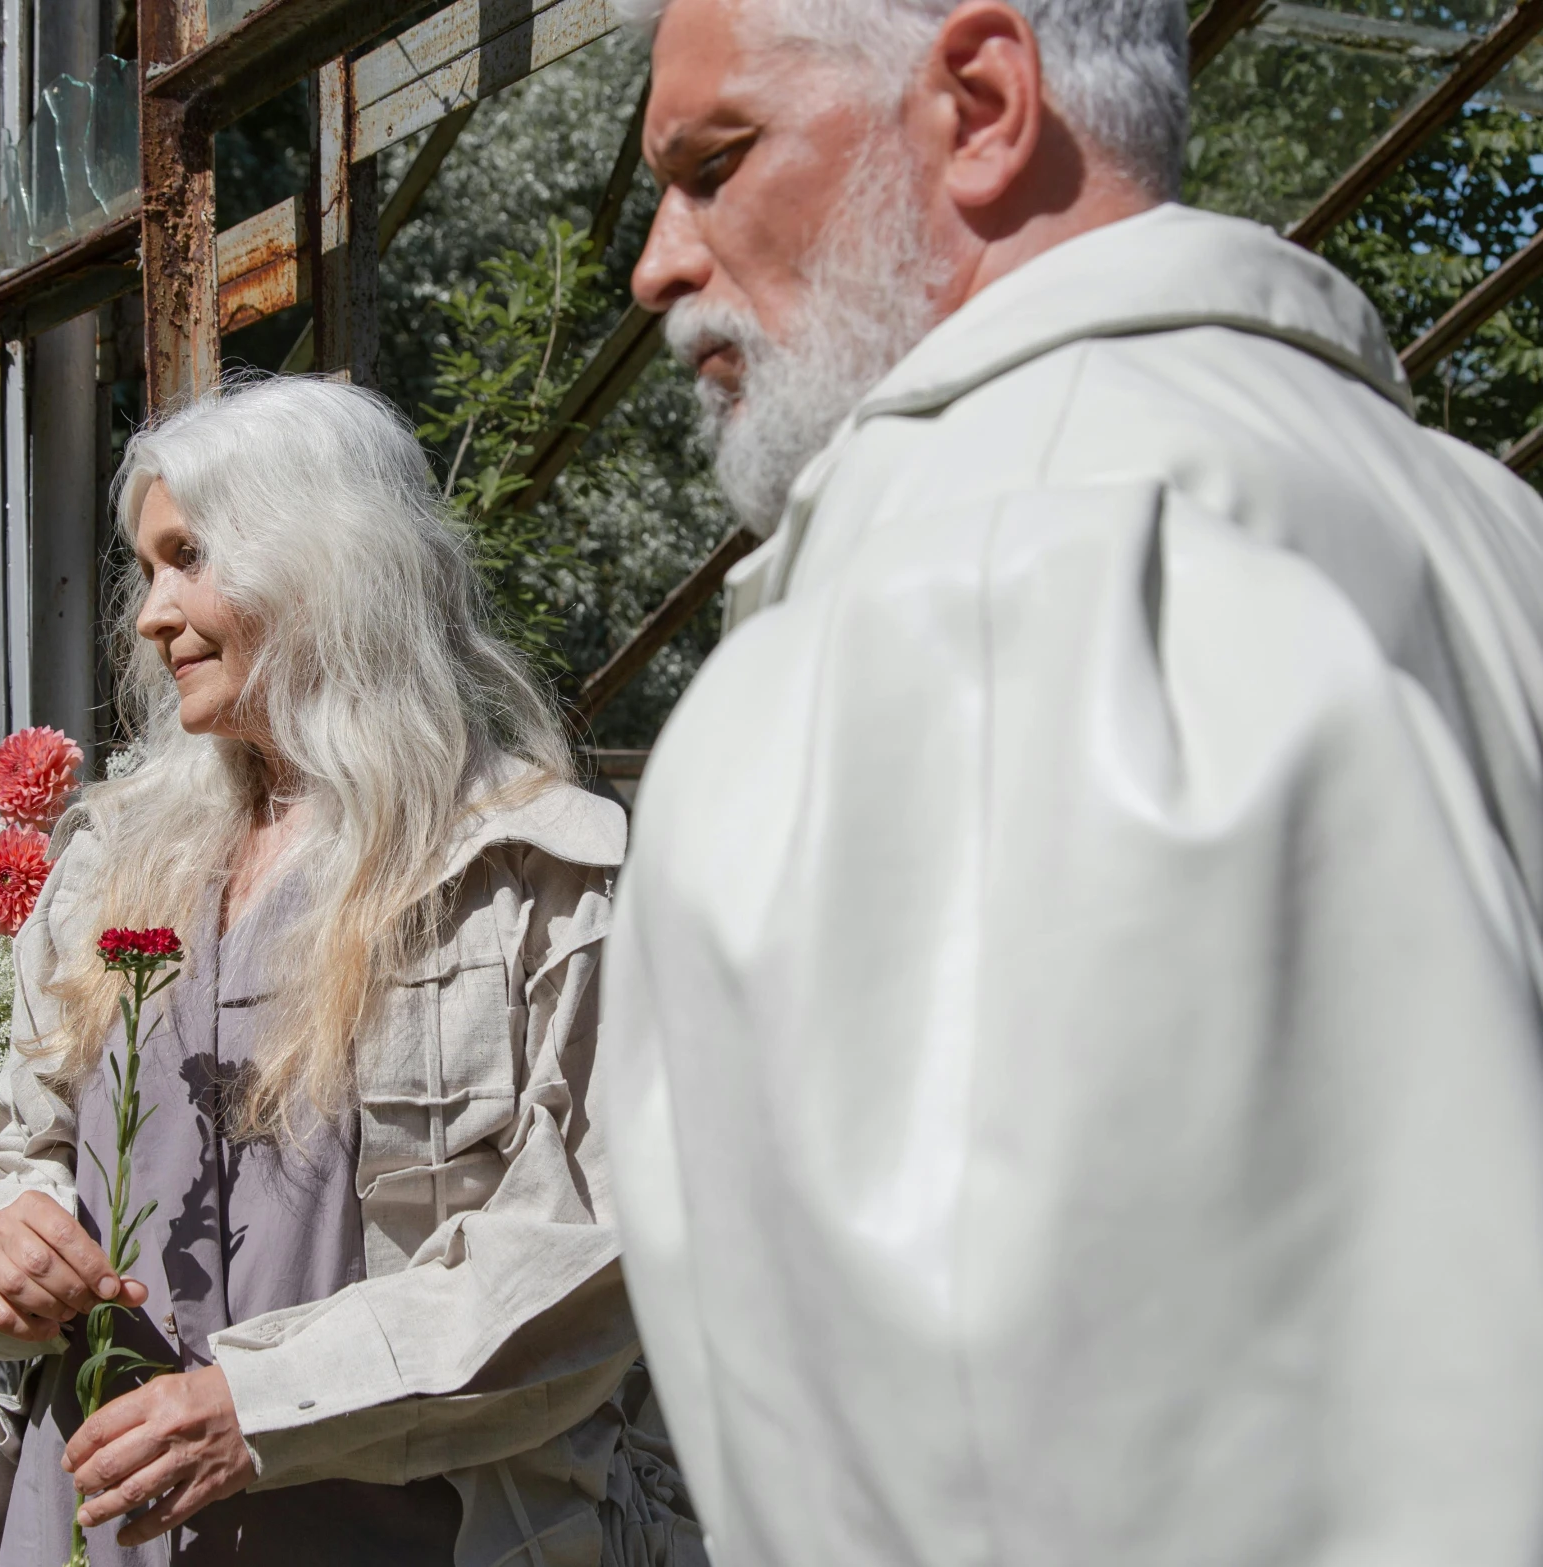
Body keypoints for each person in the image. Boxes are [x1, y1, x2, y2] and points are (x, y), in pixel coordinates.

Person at [601, 0, 1543, 1563]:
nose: (659, 261)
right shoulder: (1475, 526)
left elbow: (1027, 1479)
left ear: (978, 103)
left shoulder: (988, 572)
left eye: (715, 160)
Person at [0, 376, 702, 1566]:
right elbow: (19, 1148)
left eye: (188, 559)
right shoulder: (120, 859)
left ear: (317, 561)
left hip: (402, 1532)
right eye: (145, 568)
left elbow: (586, 1262)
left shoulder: (536, 880)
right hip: (98, 1523)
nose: (148, 616)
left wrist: (258, 1405)